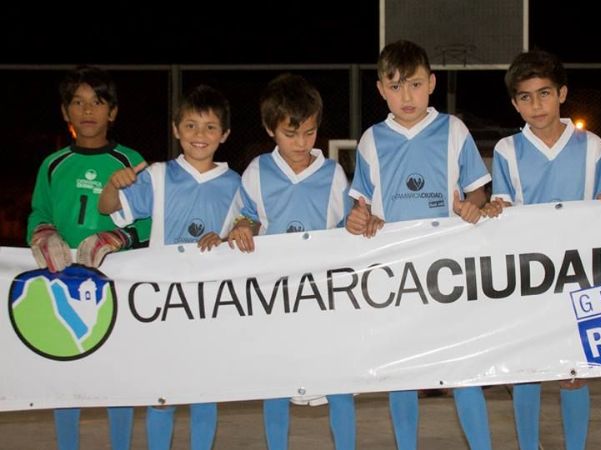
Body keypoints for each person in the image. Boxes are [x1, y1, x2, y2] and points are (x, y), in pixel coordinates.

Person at [345, 39, 495, 450]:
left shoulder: (453, 130)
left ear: (431, 83)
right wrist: (359, 218)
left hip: (448, 270)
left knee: (463, 371)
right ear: (380, 90)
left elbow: (478, 193)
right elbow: (358, 207)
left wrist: (471, 207)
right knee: (403, 374)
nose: (405, 96)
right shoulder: (372, 140)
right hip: (395, 275)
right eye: (395, 87)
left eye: (413, 84)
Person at [490, 49, 601, 450]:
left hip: (580, 276)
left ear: (562, 93)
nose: (537, 104)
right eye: (526, 97)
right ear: (515, 103)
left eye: (544, 93)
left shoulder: (593, 146)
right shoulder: (506, 150)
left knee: (574, 371)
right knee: (527, 370)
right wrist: (496, 211)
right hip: (528, 276)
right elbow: (503, 213)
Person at [98, 84, 241, 450]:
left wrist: (230, 238)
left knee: (204, 391)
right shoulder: (159, 175)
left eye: (210, 127)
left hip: (210, 304)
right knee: (161, 392)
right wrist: (113, 186)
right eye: (191, 125)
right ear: (176, 129)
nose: (200, 135)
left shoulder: (237, 185)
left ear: (224, 134)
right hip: (160, 303)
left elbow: (248, 234)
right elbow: (108, 209)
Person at [226, 73, 355, 450]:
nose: (302, 143)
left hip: (324, 298)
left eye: (310, 133)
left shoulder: (333, 174)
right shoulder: (256, 172)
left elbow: (349, 228)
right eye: (291, 134)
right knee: (276, 384)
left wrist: (361, 221)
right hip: (275, 297)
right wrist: (242, 228)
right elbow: (243, 217)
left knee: (340, 383)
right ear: (271, 129)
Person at [26, 64, 151, 450]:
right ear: (66, 112)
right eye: (77, 103)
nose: (87, 111)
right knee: (66, 370)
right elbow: (38, 212)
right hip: (64, 284)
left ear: (112, 112)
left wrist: (119, 236)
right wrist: (42, 233)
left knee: (117, 374)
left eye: (97, 102)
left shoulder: (131, 161)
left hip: (116, 284)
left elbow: (149, 222)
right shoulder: (53, 164)